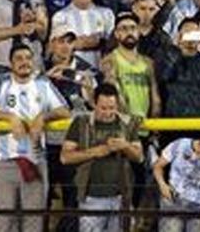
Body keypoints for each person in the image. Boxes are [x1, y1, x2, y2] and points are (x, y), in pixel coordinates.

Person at [0, 42, 71, 232]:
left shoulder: (43, 84)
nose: (24, 62)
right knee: (3, 221)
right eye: (19, 59)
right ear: (10, 63)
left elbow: (64, 111)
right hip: (4, 160)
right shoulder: (0, 81)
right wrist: (10, 117)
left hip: (36, 160)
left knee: (34, 222)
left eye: (28, 58)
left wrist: (43, 117)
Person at [60, 82, 144, 232]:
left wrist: (125, 146)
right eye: (103, 108)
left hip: (121, 198)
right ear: (94, 104)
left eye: (112, 108)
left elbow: (139, 157)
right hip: (90, 198)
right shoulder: (81, 123)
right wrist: (96, 151)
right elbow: (65, 157)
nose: (108, 112)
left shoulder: (128, 124)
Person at [154, 134, 200, 232]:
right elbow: (158, 166)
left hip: (199, 207)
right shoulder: (181, 144)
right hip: (173, 200)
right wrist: (162, 185)